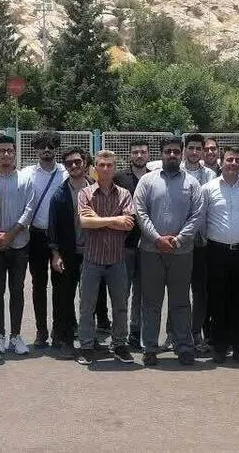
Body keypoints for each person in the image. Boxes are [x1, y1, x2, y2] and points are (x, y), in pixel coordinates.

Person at [135, 136, 205, 367]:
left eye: (176, 151)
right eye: (168, 151)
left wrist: (178, 240)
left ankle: (184, 347)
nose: (172, 155)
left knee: (181, 302)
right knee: (151, 302)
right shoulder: (147, 181)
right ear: (162, 153)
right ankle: (150, 348)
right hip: (151, 251)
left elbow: (197, 215)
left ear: (181, 153)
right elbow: (140, 212)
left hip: (181, 253)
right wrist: (157, 238)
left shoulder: (192, 183)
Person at [76, 150, 136, 365]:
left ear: (115, 168)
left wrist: (98, 220)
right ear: (95, 168)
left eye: (109, 165)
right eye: (101, 165)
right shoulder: (85, 193)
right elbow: (85, 222)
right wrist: (114, 220)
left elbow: (128, 224)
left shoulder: (124, 194)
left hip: (117, 259)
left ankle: (119, 344)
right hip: (92, 258)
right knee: (87, 306)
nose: (105, 169)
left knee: (120, 305)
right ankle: (86, 346)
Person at [200, 146, 239, 364]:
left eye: (237, 160)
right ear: (221, 162)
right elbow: (201, 218)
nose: (233, 163)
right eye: (229, 159)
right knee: (217, 300)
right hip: (216, 251)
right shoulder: (208, 188)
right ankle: (220, 347)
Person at [0, 135, 36, 358]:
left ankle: (15, 336)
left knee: (17, 290)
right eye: (2, 151)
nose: (6, 154)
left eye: (9, 150)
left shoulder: (26, 179)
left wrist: (10, 235)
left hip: (19, 244)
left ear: (15, 153)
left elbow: (29, 209)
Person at [49, 147, 94, 359]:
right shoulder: (59, 195)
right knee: (64, 298)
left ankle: (89, 339)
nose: (74, 166)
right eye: (69, 163)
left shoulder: (95, 189)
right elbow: (53, 227)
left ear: (85, 162)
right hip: (68, 254)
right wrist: (55, 254)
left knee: (90, 299)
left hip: (93, 253)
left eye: (77, 161)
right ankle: (65, 339)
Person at [22, 130, 64, 349]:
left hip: (60, 237)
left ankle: (58, 330)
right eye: (42, 146)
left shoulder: (65, 172)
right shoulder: (28, 173)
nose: (46, 149)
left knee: (60, 285)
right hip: (36, 235)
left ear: (56, 148)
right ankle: (41, 331)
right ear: (35, 149)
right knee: (38, 285)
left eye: (50, 145)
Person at [113, 140, 151, 348]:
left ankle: (136, 333)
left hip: (148, 245)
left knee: (142, 293)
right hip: (124, 245)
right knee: (122, 292)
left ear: (148, 155)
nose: (139, 155)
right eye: (135, 152)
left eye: (143, 152)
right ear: (130, 155)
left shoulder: (154, 177)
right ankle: (119, 334)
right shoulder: (119, 178)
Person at [183, 133, 215, 351]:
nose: (194, 152)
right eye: (191, 148)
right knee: (178, 291)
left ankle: (196, 333)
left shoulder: (210, 175)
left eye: (198, 148)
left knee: (200, 291)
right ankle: (176, 333)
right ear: (185, 149)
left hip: (203, 242)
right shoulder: (177, 172)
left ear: (203, 151)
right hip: (180, 240)